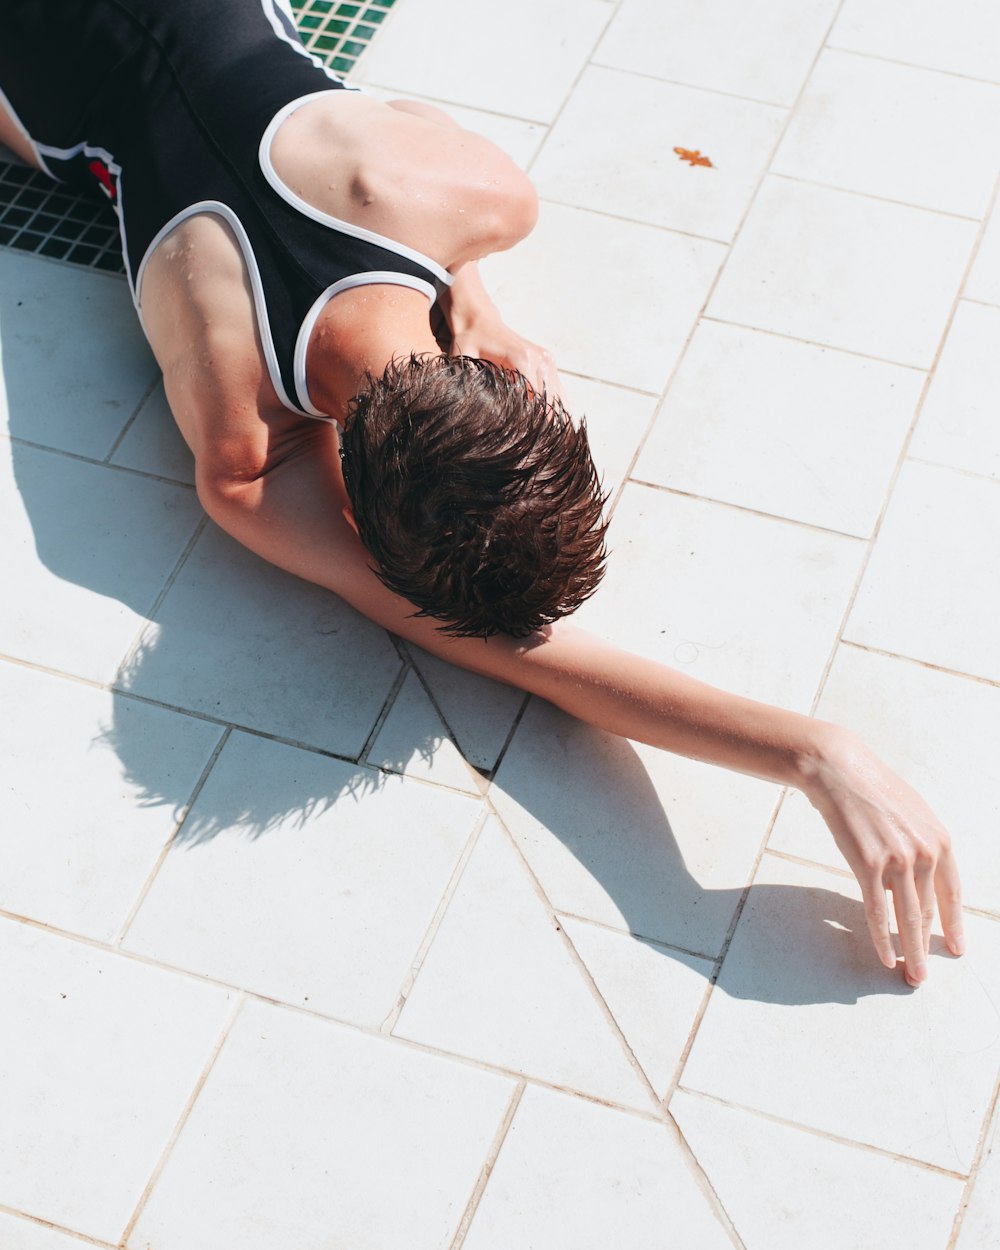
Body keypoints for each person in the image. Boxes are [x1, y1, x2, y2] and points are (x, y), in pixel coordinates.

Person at [0, 0, 963, 986]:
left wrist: (472, 293)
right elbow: (515, 653)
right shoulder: (243, 452)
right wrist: (805, 751)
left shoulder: (472, 195)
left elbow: (405, 117)